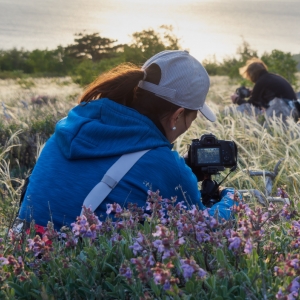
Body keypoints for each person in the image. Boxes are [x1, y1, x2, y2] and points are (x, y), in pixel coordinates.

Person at [19, 50, 238, 230]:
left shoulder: (68, 128)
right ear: (177, 115)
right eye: (192, 117)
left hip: (25, 261)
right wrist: (231, 200)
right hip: (82, 275)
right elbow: (205, 229)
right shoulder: (164, 165)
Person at [231, 58, 297, 109]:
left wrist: (237, 100)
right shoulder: (273, 77)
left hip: (286, 110)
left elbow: (251, 106)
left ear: (251, 74)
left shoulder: (261, 82)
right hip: (294, 107)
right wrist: (257, 94)